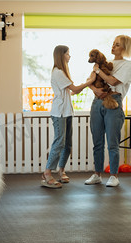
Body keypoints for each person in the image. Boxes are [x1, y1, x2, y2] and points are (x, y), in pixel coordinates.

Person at [42, 45, 95, 188]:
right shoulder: (58, 72)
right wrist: (90, 81)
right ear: (61, 55)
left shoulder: (63, 72)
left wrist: (68, 93)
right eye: (68, 54)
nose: (69, 56)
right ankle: (47, 173)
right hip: (59, 113)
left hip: (67, 112)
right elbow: (76, 90)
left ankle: (61, 170)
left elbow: (69, 91)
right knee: (59, 142)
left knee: (68, 144)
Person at [85, 35, 131, 187]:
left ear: (124, 48)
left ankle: (113, 176)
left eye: (117, 45)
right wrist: (96, 90)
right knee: (97, 142)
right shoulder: (105, 63)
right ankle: (97, 174)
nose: (113, 47)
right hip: (97, 102)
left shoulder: (126, 65)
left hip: (114, 103)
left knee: (112, 142)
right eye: (113, 44)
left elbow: (112, 81)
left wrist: (98, 70)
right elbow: (89, 81)